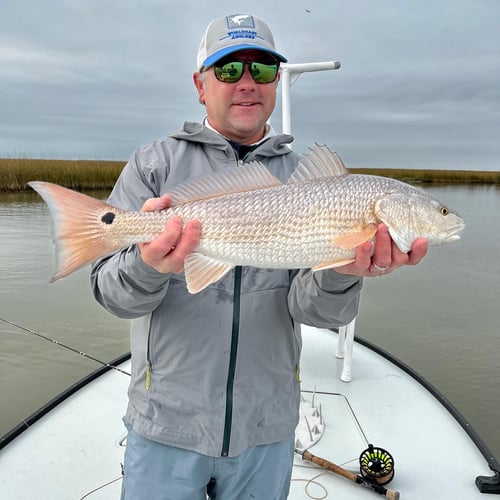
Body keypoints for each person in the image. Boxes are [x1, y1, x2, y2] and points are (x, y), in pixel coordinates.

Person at [91, 13, 428, 500]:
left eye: (263, 70)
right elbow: (112, 296)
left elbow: (312, 311)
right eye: (228, 69)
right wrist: (148, 265)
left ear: (275, 83)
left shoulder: (312, 182)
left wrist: (345, 273)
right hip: (165, 425)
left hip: (266, 429)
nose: (247, 83)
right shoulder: (153, 166)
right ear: (199, 84)